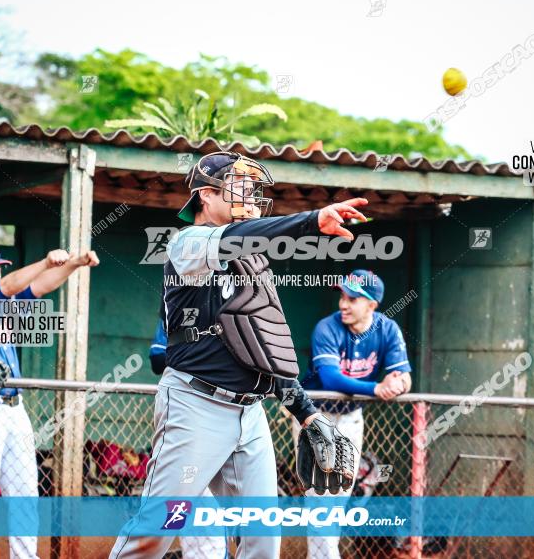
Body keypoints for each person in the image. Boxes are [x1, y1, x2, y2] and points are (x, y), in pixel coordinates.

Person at [110, 151, 365, 558]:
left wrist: (307, 412)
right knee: (156, 533)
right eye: (237, 186)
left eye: (250, 187)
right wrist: (311, 221)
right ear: (205, 196)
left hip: (250, 415)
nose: (249, 194)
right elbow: (242, 237)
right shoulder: (187, 243)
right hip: (195, 407)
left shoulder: (250, 260)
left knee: (262, 543)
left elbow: (265, 342)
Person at [0, 239, 99, 559]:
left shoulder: (0, 303)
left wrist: (73, 264)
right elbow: (6, 286)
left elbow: (37, 289)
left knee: (25, 497)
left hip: (15, 408)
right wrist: (45, 261)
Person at [295, 269, 411, 559]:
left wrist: (397, 384)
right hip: (314, 416)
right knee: (321, 497)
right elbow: (332, 379)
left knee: (339, 499)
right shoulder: (327, 327)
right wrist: (377, 389)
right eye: (343, 297)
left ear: (372, 305)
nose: (344, 304)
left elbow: (405, 376)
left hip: (350, 419)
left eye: (353, 299)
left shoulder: (387, 329)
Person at [149, 313, 229, 558]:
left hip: (222, 419)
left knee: (211, 518)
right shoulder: (177, 306)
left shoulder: (234, 308)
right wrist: (202, 354)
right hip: (184, 417)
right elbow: (156, 357)